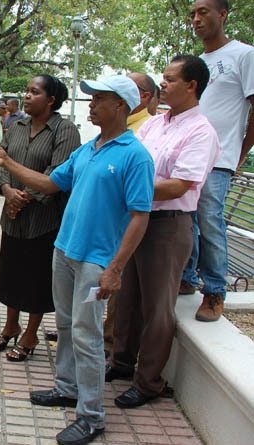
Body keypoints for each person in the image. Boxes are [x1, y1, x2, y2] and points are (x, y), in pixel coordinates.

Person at [0, 75, 154, 445]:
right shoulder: (89, 149)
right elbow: (49, 184)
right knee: (65, 324)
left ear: (121, 107)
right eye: (90, 99)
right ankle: (66, 387)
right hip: (64, 250)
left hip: (96, 262)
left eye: (99, 99)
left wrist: (115, 269)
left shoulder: (135, 156)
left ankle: (91, 417)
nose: (91, 105)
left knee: (87, 336)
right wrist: (8, 163)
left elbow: (141, 216)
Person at [108, 55, 221, 408]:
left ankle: (149, 381)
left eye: (171, 80)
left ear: (192, 86)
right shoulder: (155, 125)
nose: (164, 85)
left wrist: (130, 188)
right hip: (138, 219)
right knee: (126, 298)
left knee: (158, 307)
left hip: (168, 228)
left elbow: (181, 185)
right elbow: (133, 163)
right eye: (163, 79)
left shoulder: (201, 132)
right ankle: (122, 363)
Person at [0, 75, 80, 361]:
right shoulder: (16, 127)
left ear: (51, 100)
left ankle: (31, 333)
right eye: (26, 91)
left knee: (37, 279)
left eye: (34, 92)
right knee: (12, 274)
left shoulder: (64, 131)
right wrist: (6, 190)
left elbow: (57, 174)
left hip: (44, 219)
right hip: (12, 217)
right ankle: (11, 324)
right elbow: (2, 161)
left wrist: (23, 197)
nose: (27, 96)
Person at [181, 0, 254, 322]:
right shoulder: (197, 62)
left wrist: (239, 153)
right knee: (186, 218)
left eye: (203, 12)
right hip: (189, 154)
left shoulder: (244, 54)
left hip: (220, 155)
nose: (196, 19)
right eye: (193, 14)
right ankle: (186, 279)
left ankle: (214, 292)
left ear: (223, 15)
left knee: (209, 219)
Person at [103, 71, 156, 357]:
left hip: (129, 219)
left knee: (117, 282)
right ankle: (105, 336)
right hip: (112, 219)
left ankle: (111, 345)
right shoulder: (121, 131)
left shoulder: (141, 133)